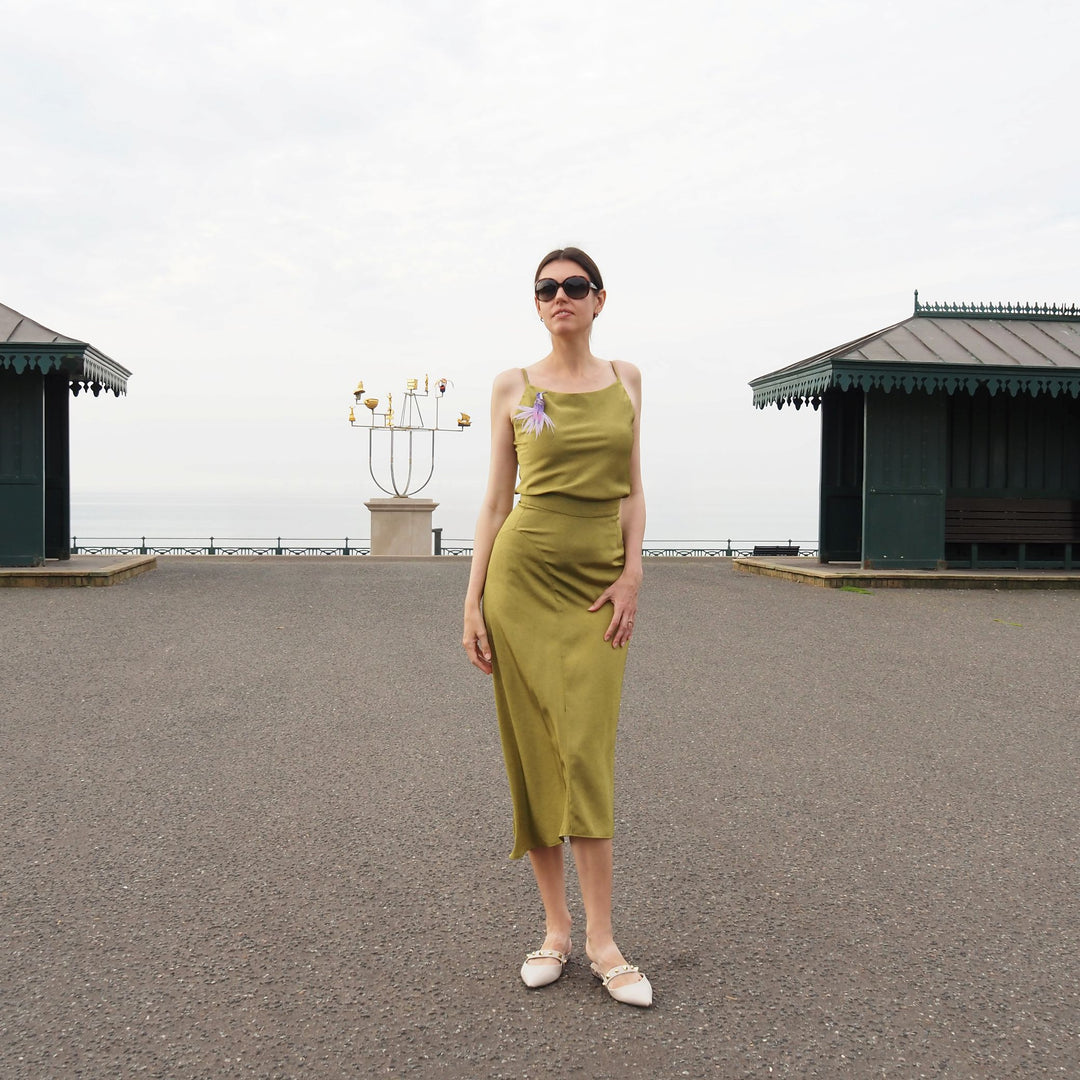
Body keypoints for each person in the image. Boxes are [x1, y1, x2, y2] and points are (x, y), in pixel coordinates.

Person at [462, 247, 651, 1007]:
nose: (560, 297)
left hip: (598, 584)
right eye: (547, 289)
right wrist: (471, 601)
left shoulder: (627, 378)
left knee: (587, 746)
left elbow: (634, 491)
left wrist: (635, 570)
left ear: (600, 299)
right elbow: (494, 503)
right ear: (536, 303)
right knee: (537, 748)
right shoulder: (515, 385)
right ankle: (557, 930)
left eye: (574, 287)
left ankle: (606, 940)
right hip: (521, 579)